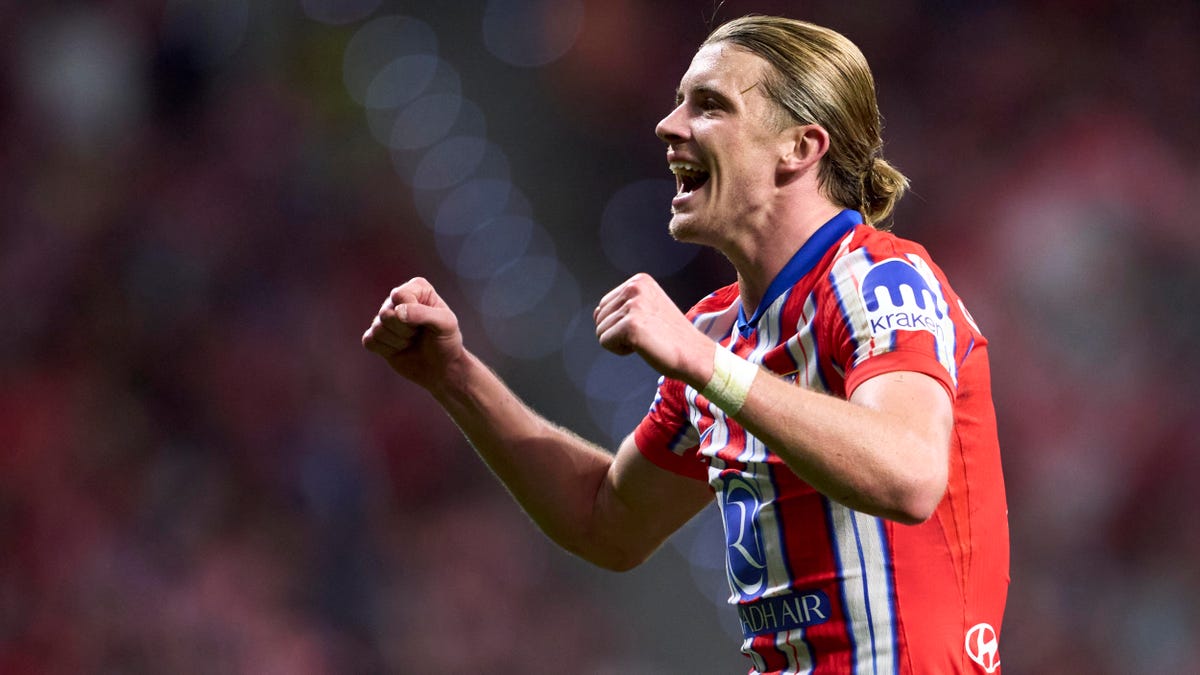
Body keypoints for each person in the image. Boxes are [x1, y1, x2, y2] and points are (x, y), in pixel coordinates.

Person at [363, 14, 1008, 675]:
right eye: (678, 103)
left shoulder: (877, 278)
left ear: (799, 147)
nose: (669, 127)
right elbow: (607, 520)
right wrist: (454, 376)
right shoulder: (721, 330)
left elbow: (909, 473)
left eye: (709, 106)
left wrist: (705, 364)